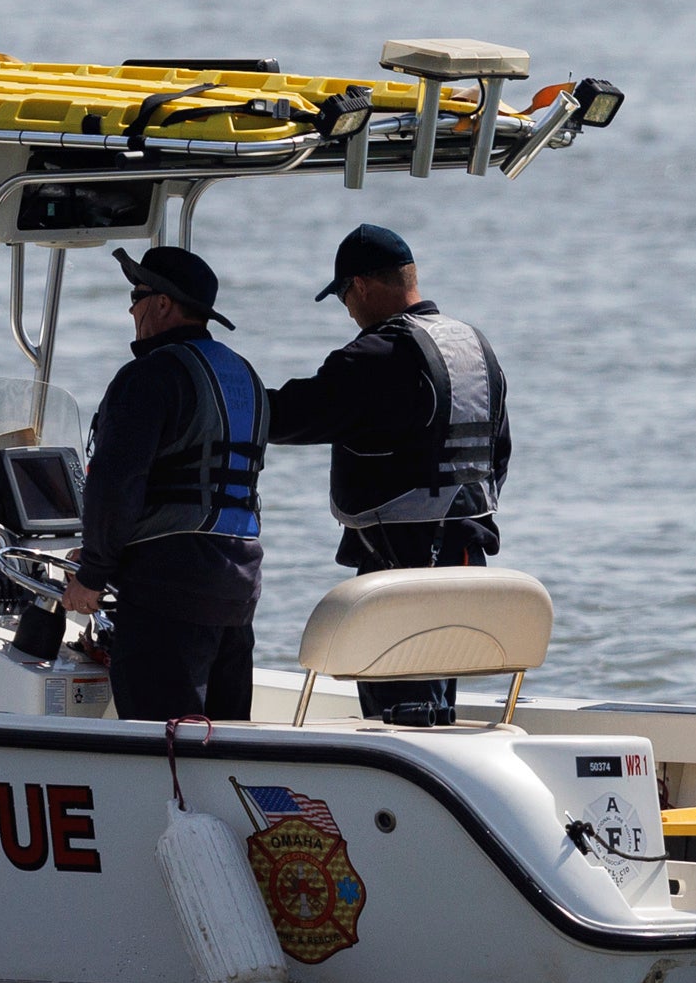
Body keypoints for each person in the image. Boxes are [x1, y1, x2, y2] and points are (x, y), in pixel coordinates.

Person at [266, 224, 509, 725]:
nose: (348, 312)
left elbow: (287, 417)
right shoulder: (474, 347)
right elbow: (499, 454)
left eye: (344, 298)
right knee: (437, 708)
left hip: (400, 568)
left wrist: (222, 392)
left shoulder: (373, 357)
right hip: (468, 561)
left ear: (360, 285)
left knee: (400, 718)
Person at [61, 246, 266, 723]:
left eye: (137, 295)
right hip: (237, 589)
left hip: (166, 592)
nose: (130, 308)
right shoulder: (245, 375)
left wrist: (92, 573)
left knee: (160, 745)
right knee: (225, 741)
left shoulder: (148, 378)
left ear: (162, 304)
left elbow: (115, 486)